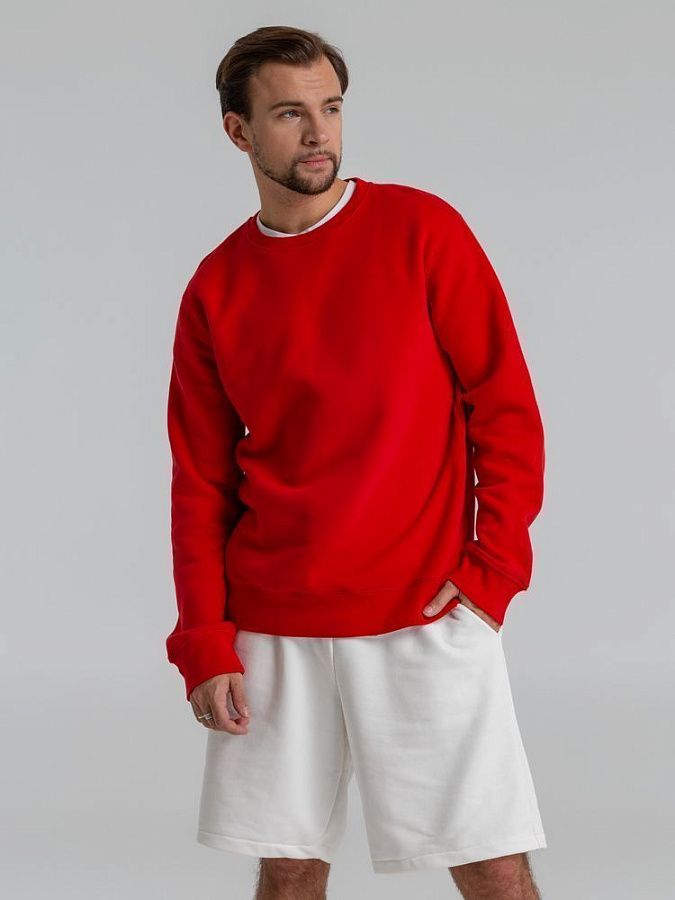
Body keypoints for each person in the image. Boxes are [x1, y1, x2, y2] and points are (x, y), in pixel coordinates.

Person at [165, 24, 548, 900]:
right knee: (288, 867)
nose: (318, 133)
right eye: (289, 114)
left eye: (331, 108)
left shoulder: (421, 230)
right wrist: (205, 640)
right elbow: (200, 483)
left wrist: (493, 570)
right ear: (237, 131)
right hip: (272, 623)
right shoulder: (217, 287)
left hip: (424, 610)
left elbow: (506, 411)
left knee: (490, 864)